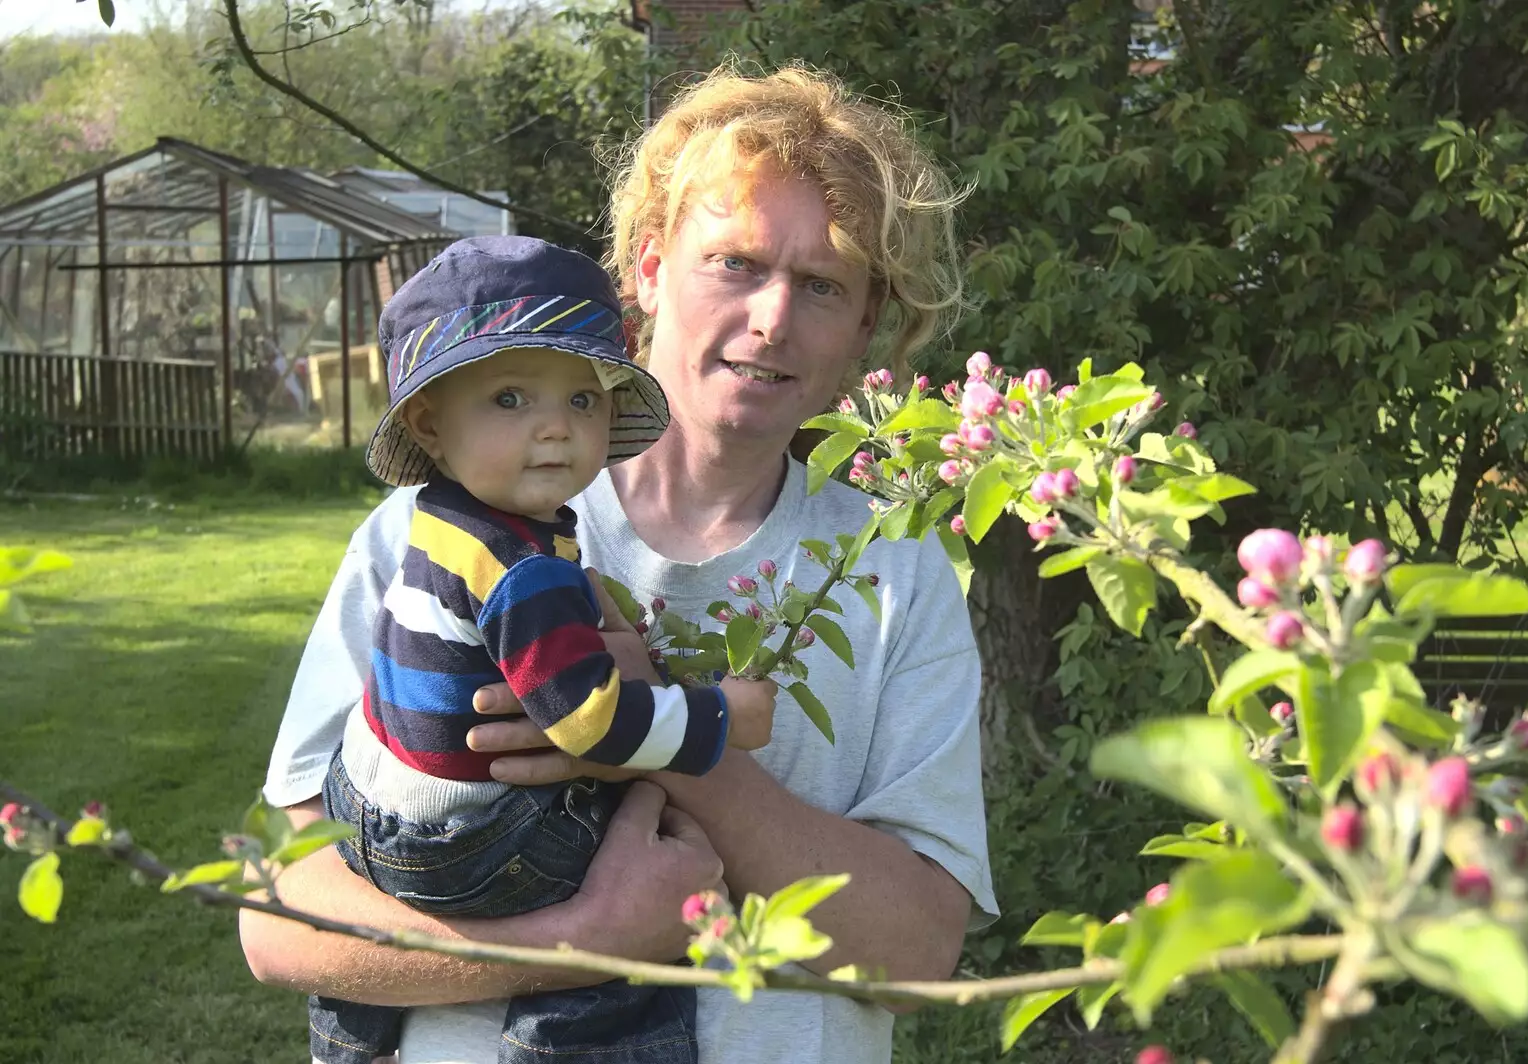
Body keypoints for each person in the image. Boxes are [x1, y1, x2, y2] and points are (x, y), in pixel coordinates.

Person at [241, 63, 997, 1064]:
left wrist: (665, 743)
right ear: (647, 270)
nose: (773, 318)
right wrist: (587, 940)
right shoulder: (431, 530)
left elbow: (916, 951)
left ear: (863, 324)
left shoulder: (894, 573)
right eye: (735, 263)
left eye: (821, 284)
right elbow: (279, 913)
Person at [303, 235, 778, 1064]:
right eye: (512, 399)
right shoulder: (525, 572)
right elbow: (587, 724)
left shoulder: (443, 519)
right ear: (429, 422)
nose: (557, 429)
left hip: (361, 804)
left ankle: (352, 1027)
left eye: (584, 402)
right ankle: (569, 1043)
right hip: (459, 843)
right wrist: (720, 718)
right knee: (635, 907)